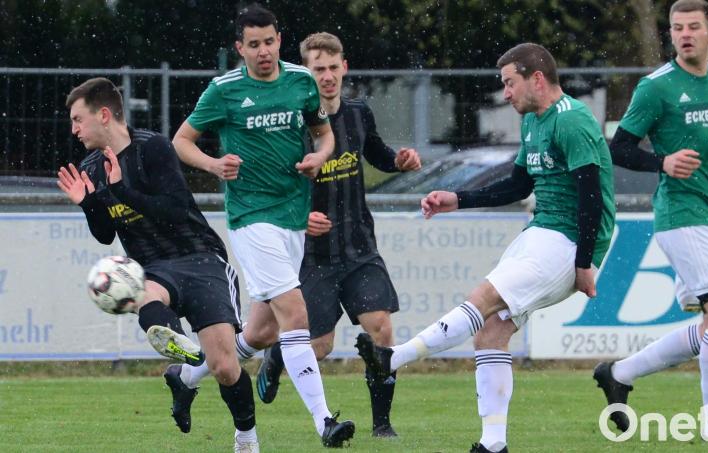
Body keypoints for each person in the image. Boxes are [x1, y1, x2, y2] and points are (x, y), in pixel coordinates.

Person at [356, 43, 615, 453]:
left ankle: (392, 359)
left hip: (568, 241)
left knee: (482, 298)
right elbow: (517, 185)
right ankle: (494, 444)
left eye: (510, 83)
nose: (506, 93)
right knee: (490, 333)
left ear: (537, 79)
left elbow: (592, 199)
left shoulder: (573, 122)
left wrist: (584, 263)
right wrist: (457, 199)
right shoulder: (533, 122)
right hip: (542, 232)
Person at [171, 4, 354, 448]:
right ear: (240, 48)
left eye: (269, 41)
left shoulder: (300, 82)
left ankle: (187, 376)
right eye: (253, 45)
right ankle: (324, 421)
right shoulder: (224, 90)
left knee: (262, 332)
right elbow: (181, 141)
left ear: (278, 39)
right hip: (251, 218)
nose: (264, 51)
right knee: (295, 314)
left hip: (293, 215)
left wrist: (320, 156)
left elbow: (323, 133)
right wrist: (214, 164)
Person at [58, 77, 259, 452]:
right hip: (151, 266)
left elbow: (175, 211)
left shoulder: (154, 148)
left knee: (226, 367)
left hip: (200, 257)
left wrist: (122, 191)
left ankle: (243, 434)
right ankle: (178, 346)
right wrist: (88, 202)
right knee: (144, 292)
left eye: (77, 119)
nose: (74, 129)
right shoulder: (91, 166)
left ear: (103, 114)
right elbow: (105, 234)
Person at [593, 0, 708, 441]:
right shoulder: (656, 87)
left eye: (693, 27)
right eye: (677, 28)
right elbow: (618, 148)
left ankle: (619, 374)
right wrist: (662, 162)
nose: (684, 34)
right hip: (681, 213)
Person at [253, 32, 421, 438]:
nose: (327, 77)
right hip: (313, 254)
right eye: (318, 69)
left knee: (380, 328)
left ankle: (382, 426)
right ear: (305, 73)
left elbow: (376, 153)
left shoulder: (358, 113)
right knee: (322, 345)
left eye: (333, 68)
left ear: (344, 67)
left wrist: (399, 161)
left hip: (360, 245)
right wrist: (300, 216)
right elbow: (273, 182)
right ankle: (277, 355)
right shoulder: (294, 122)